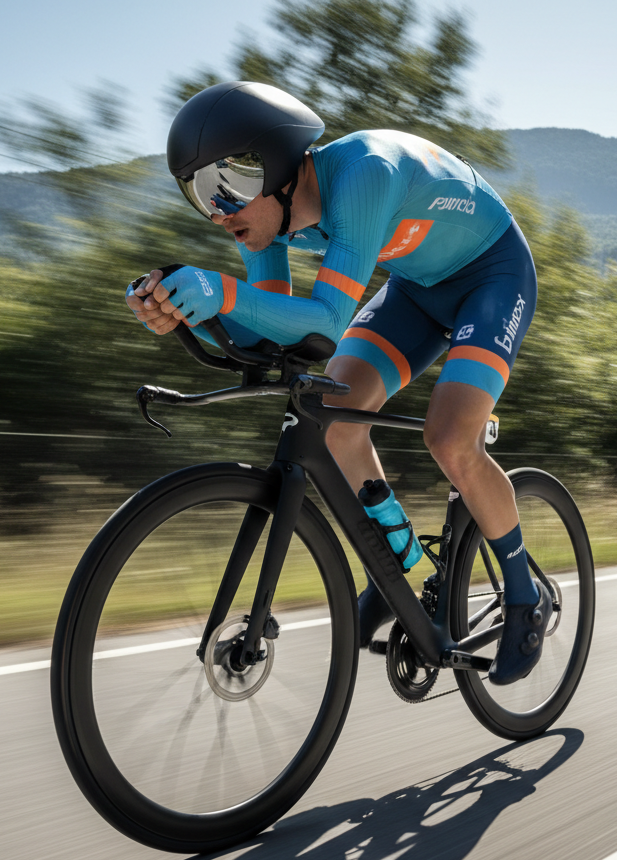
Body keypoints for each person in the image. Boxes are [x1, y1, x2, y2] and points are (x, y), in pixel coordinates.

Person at [126, 81, 550, 685]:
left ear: (274, 168)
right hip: (415, 290)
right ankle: (399, 567)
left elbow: (326, 320)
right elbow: (269, 329)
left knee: (451, 439)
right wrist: (180, 304)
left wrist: (216, 291)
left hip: (492, 275)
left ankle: (522, 595)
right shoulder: (269, 221)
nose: (219, 212)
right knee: (337, 423)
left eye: (229, 186)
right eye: (199, 194)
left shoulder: (364, 175)